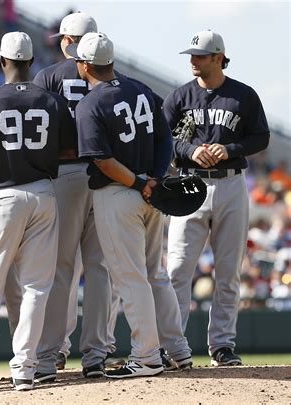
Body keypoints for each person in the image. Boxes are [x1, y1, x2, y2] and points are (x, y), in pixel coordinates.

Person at [0, 31, 75, 394]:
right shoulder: (52, 101)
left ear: (2, 63)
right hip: (42, 194)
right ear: (31, 61)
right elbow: (69, 153)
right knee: (36, 288)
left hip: (3, 197)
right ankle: (25, 369)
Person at [70, 32, 177, 378]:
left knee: (131, 279)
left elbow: (101, 159)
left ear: (85, 65)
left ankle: (147, 355)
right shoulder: (141, 90)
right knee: (151, 275)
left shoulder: (90, 103)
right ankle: (175, 350)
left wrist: (139, 182)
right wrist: (154, 180)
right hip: (151, 194)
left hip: (120, 193)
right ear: (111, 61)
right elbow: (165, 139)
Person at [163, 29, 270, 366]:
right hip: (189, 184)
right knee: (178, 270)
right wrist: (190, 150)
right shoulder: (180, 97)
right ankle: (173, 346)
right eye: (191, 55)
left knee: (228, 272)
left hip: (231, 185)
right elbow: (163, 140)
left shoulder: (243, 96)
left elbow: (261, 137)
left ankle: (222, 346)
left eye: (200, 55)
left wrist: (229, 149)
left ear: (218, 57)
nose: (193, 61)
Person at [33, 11, 120, 381]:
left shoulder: (49, 76)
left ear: (69, 40)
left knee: (61, 267)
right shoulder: (114, 79)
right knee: (100, 268)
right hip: (106, 174)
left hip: (65, 174)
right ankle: (97, 352)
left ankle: (52, 352)